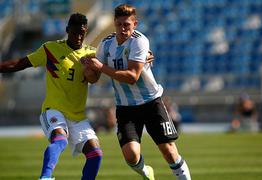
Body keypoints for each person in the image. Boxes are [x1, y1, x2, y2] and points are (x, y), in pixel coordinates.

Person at [82, 4, 191, 180]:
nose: (123, 29)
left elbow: (132, 76)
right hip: (125, 107)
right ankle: (146, 172)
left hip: (151, 102)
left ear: (135, 24)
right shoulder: (106, 44)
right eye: (119, 24)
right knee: (131, 155)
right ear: (114, 23)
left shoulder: (139, 41)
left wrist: (101, 66)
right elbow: (94, 78)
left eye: (127, 24)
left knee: (169, 151)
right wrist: (88, 69)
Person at [0, 13, 103, 180]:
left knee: (96, 153)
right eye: (75, 32)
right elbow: (21, 63)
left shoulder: (92, 55)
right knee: (60, 140)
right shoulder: (51, 49)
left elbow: (116, 61)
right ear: (67, 30)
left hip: (78, 116)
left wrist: (143, 56)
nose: (78, 36)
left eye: (82, 33)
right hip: (53, 110)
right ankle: (45, 177)